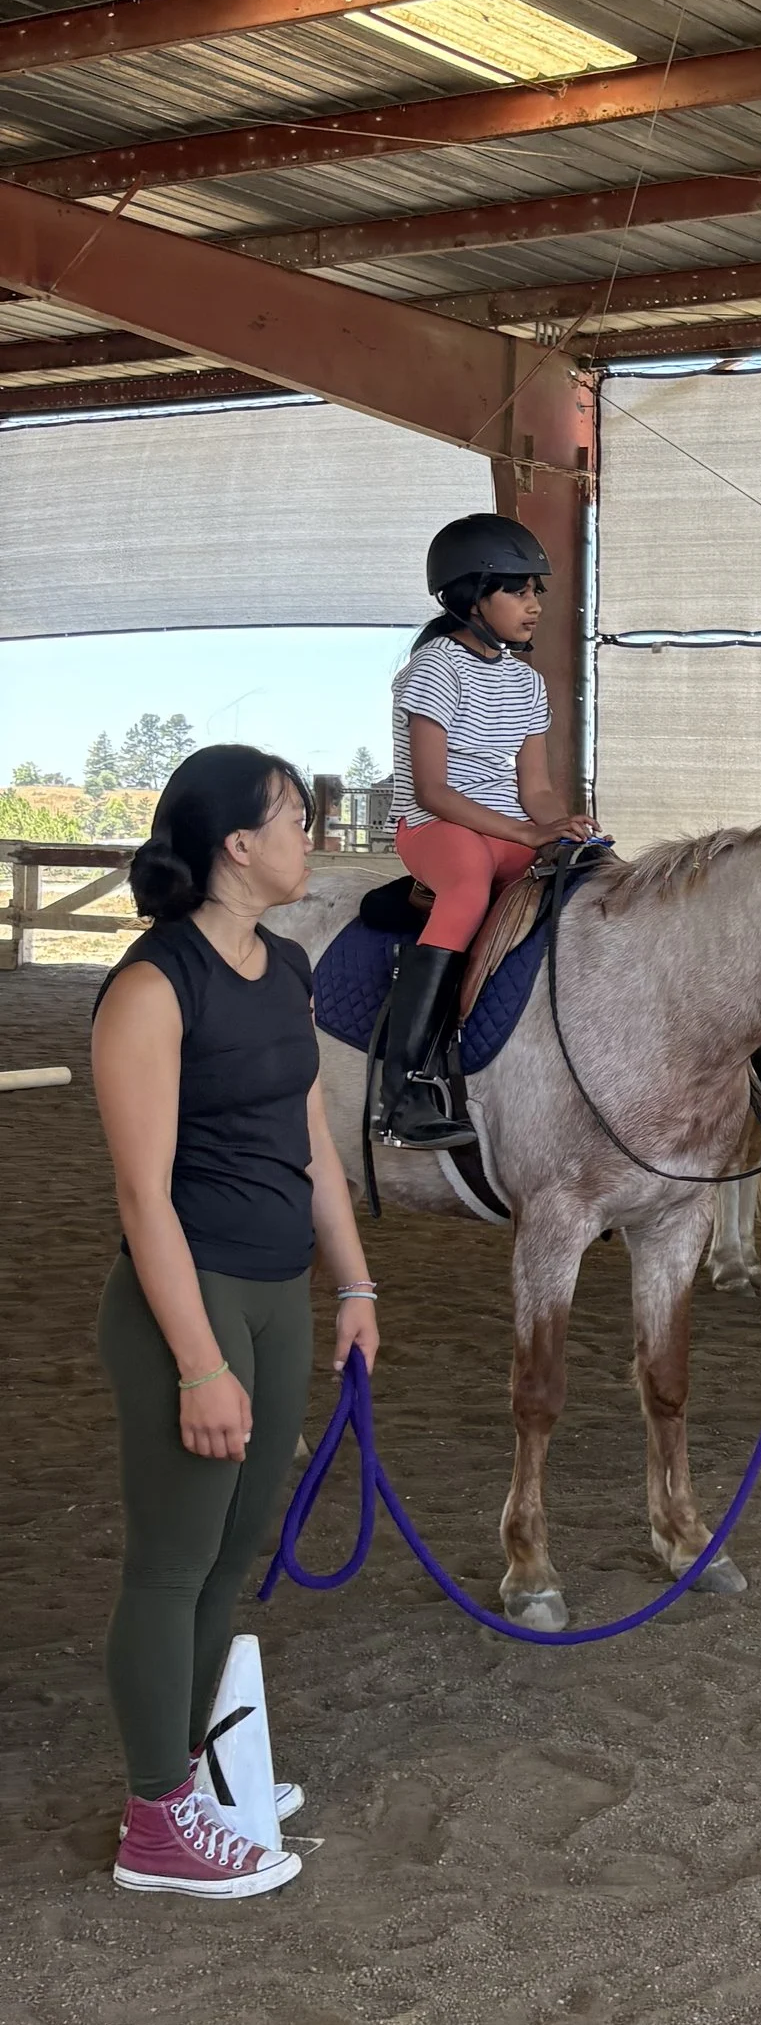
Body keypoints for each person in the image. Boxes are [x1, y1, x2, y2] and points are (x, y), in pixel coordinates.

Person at [87, 748, 380, 1900]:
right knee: (170, 1565)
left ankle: (184, 1777)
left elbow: (309, 1141)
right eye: (297, 819)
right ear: (237, 846)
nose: (314, 835)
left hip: (279, 1289)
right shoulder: (154, 987)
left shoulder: (286, 965)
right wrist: (198, 1364)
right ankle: (154, 1818)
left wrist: (353, 1285)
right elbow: (139, 1195)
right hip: (190, 1295)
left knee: (228, 1561)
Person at [383, 512, 597, 1144]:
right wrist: (527, 835)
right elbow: (433, 789)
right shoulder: (433, 671)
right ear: (472, 596)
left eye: (537, 591)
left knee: (589, 879)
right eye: (519, 590)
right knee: (469, 886)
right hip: (433, 827)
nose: (534, 605)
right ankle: (404, 1089)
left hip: (503, 827)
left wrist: (560, 827)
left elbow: (533, 787)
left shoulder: (528, 683)